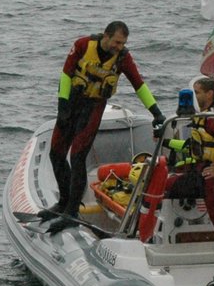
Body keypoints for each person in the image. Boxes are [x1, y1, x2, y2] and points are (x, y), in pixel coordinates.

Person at [44, 20, 164, 233]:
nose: (120, 47)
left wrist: (155, 112)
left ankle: (71, 212)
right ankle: (63, 202)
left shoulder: (123, 58)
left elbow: (139, 84)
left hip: (93, 107)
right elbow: (66, 74)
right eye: (117, 42)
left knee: (78, 157)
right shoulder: (83, 45)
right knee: (56, 153)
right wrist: (62, 104)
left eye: (123, 43)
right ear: (106, 36)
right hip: (71, 103)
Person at [163, 76, 214, 240]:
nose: (194, 96)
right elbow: (190, 146)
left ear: (209, 94)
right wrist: (165, 142)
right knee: (167, 186)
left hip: (213, 178)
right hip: (200, 172)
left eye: (197, 93)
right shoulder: (202, 117)